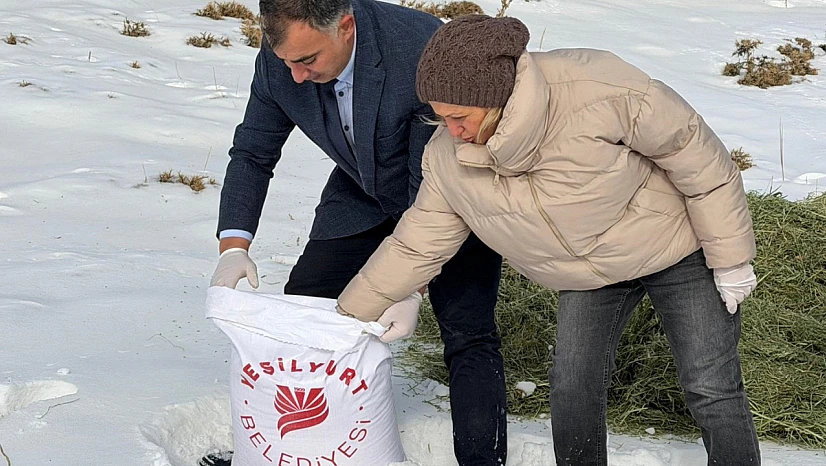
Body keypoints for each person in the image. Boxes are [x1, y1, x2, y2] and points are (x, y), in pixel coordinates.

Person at [337, 14, 761, 466]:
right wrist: (345, 320)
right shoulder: (448, 156)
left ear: (494, 97)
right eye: (439, 117)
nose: (450, 130)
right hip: (587, 274)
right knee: (572, 388)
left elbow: (698, 158)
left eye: (459, 117)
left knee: (709, 385)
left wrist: (731, 257)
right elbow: (418, 242)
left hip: (676, 247)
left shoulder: (597, 87)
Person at [207, 2, 508, 466]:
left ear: (346, 26)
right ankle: (293, 449)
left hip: (450, 197)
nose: (296, 77)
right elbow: (252, 150)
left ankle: (482, 461)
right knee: (307, 307)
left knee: (467, 333)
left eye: (307, 61)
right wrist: (233, 244)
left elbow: (425, 188)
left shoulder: (419, 49)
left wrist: (407, 286)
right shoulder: (286, 54)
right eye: (287, 61)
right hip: (360, 190)